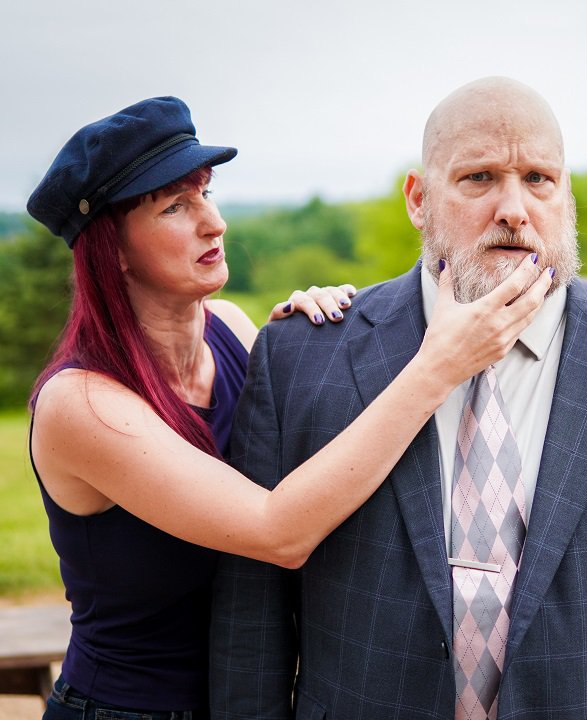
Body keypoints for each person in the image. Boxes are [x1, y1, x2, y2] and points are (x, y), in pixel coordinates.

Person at [210, 77, 587, 719]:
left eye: (538, 179)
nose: (514, 208)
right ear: (418, 199)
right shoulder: (302, 356)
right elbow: (251, 622)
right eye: (479, 178)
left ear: (567, 194)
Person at [26, 96, 552, 719]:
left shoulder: (230, 326)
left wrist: (308, 343)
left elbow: (297, 437)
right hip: (126, 711)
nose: (212, 223)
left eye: (206, 193)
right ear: (111, 250)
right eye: (175, 206)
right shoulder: (81, 403)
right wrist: (438, 366)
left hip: (240, 698)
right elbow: (279, 531)